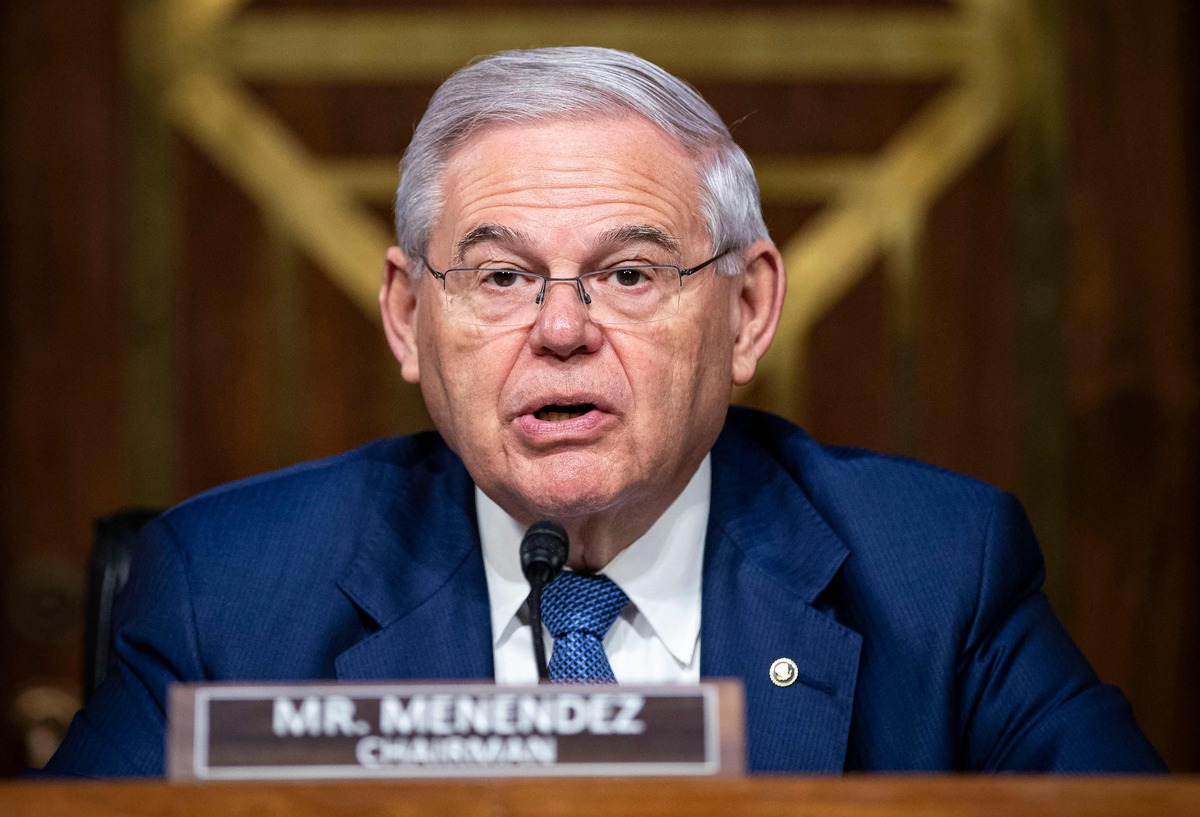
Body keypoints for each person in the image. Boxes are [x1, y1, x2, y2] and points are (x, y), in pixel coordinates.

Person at [45, 46, 1164, 776]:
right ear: (405, 315)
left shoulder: (934, 573)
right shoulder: (229, 591)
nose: (564, 329)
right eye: (500, 276)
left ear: (747, 309)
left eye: (630, 274)